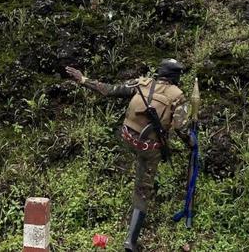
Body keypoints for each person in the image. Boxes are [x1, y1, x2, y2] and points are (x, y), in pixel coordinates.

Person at [66, 59, 189, 252]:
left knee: (141, 158)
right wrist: (192, 144)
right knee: (142, 189)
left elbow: (109, 90)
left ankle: (144, 177)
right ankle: (130, 242)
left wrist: (83, 79)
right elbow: (181, 128)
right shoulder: (178, 96)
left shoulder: (141, 83)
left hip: (126, 138)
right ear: (176, 77)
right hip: (149, 148)